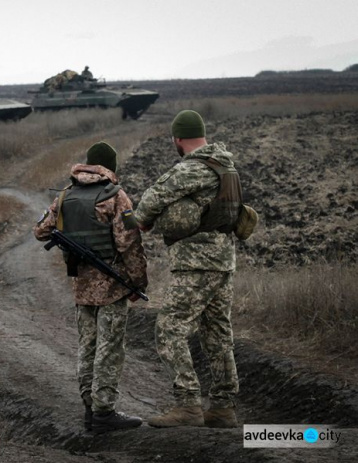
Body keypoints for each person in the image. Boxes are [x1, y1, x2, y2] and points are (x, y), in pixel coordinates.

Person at [133, 110, 242, 429]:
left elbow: (152, 199)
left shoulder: (193, 168)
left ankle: (188, 404)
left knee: (168, 328)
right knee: (217, 333)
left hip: (197, 262)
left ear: (178, 139)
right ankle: (223, 408)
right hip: (223, 260)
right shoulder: (226, 165)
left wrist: (142, 220)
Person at [34, 142, 148, 434]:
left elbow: (40, 231)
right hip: (112, 287)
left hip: (82, 287)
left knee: (88, 346)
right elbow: (130, 244)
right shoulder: (115, 195)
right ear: (111, 166)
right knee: (109, 348)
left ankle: (90, 408)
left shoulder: (65, 195)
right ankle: (104, 412)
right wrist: (138, 281)